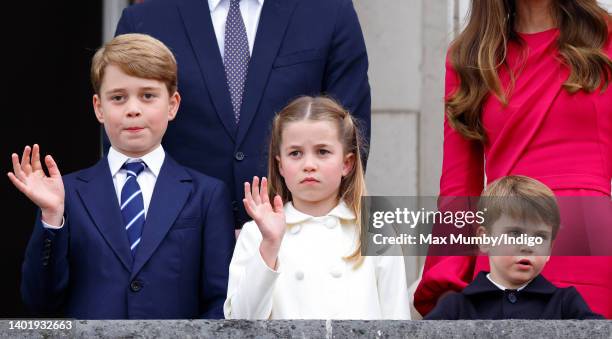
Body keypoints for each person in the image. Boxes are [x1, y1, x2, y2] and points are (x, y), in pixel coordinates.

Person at [7, 34, 235, 319]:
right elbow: (40, 299)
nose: (133, 109)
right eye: (118, 98)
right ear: (99, 108)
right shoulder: (66, 193)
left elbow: (221, 300)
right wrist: (51, 217)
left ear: (173, 105)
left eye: (148, 95)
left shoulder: (207, 195)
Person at [415, 0, 612, 319]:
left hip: (592, 250)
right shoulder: (469, 56)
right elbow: (458, 188)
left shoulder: (607, 38)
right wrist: (447, 279)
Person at [113, 0, 371, 229]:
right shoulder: (145, 19)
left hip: (302, 232)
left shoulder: (330, 11)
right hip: (180, 237)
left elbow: (350, 134)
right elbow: (126, 141)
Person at [223, 96, 409, 319]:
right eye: (295, 153)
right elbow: (241, 323)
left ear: (346, 163)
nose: (309, 165)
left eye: (322, 152)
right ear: (280, 165)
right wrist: (270, 245)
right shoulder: (256, 234)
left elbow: (398, 322)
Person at [425, 176, 604, 320]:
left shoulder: (566, 303)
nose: (528, 246)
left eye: (540, 237)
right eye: (515, 234)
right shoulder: (457, 307)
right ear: (485, 239)